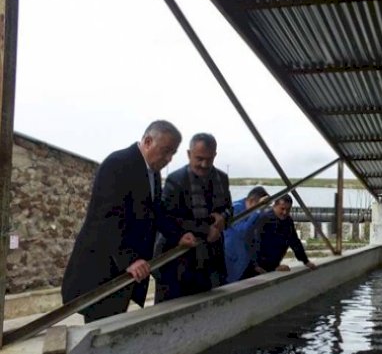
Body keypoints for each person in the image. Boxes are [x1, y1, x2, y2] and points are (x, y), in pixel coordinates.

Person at [61, 120, 196, 323]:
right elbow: (107, 217)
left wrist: (178, 235)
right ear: (148, 141)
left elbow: (155, 212)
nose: (168, 159)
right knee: (100, 326)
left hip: (125, 271)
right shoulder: (117, 164)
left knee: (115, 320)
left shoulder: (152, 172)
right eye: (166, 151)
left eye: (173, 153)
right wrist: (130, 259)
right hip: (104, 268)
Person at [154, 133, 233, 303]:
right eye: (199, 159)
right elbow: (168, 218)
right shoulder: (175, 180)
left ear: (215, 156)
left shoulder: (222, 179)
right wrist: (206, 230)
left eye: (209, 159)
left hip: (210, 261)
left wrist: (223, 218)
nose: (204, 164)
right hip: (179, 263)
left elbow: (229, 209)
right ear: (189, 154)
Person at [243, 194, 316, 279]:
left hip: (272, 265)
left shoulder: (288, 222)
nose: (285, 212)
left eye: (288, 210)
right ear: (275, 206)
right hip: (257, 267)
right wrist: (256, 265)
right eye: (282, 209)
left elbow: (294, 242)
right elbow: (251, 242)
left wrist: (305, 261)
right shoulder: (264, 219)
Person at [224, 186, 269, 283]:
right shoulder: (235, 209)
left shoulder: (256, 213)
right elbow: (243, 231)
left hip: (245, 262)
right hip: (230, 261)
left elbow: (255, 237)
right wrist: (257, 210)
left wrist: (255, 263)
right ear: (252, 201)